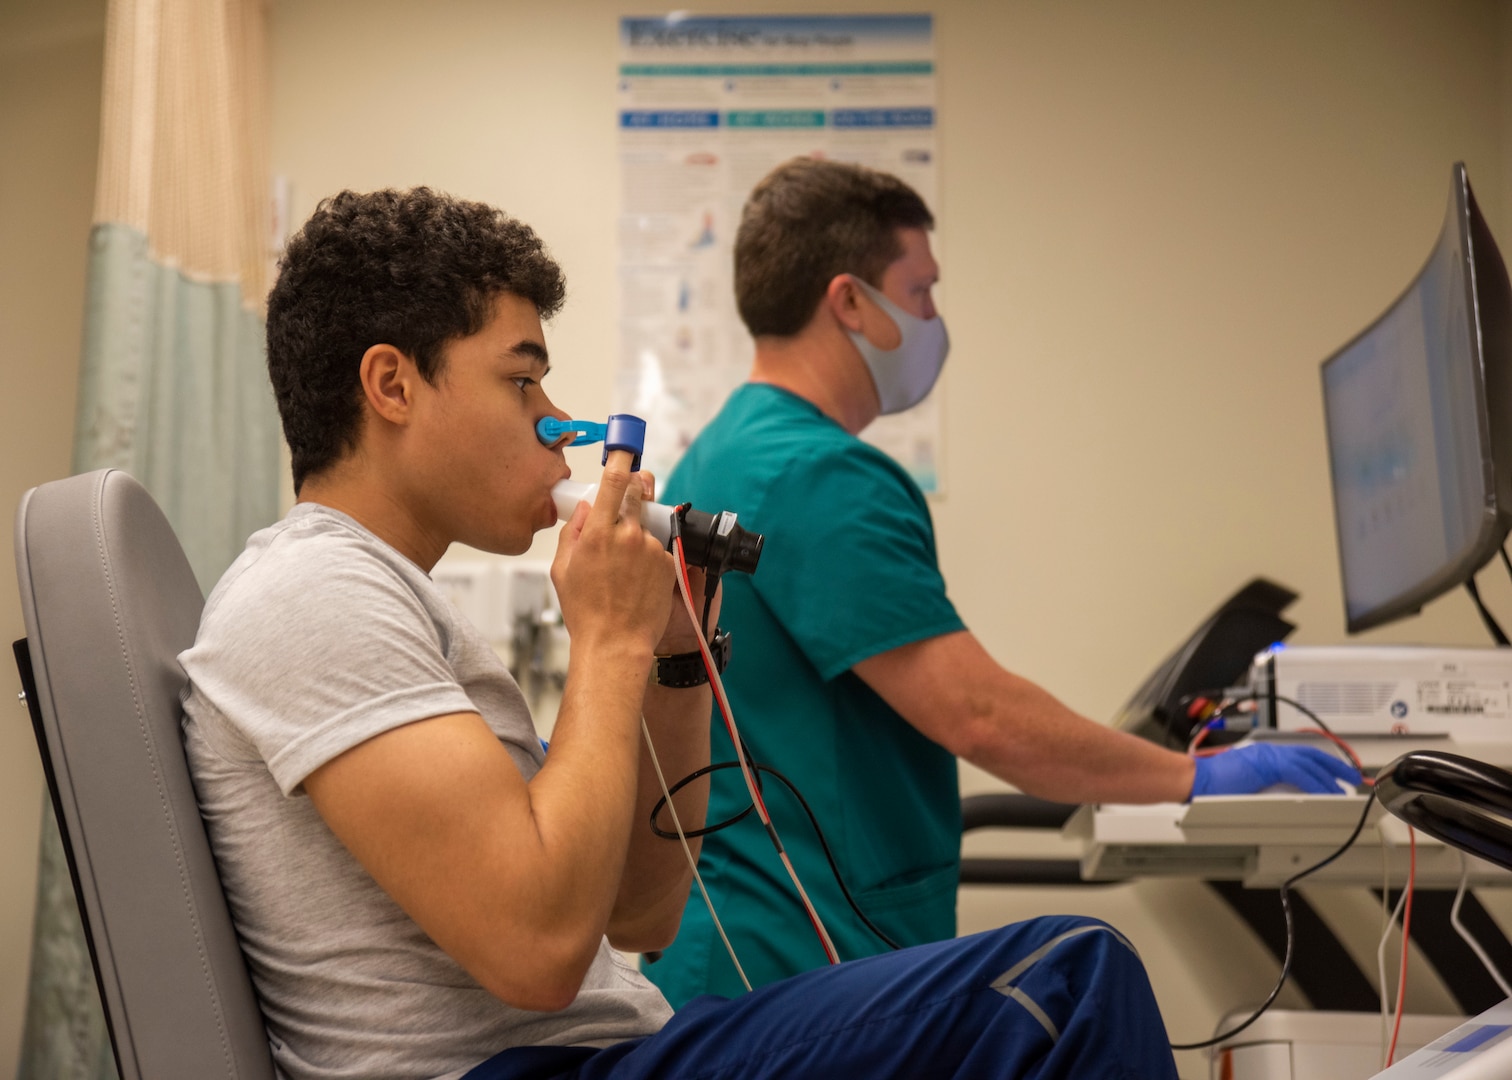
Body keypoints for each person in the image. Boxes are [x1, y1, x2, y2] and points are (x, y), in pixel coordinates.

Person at [178, 186, 1184, 1080]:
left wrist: (670, 660)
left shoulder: (392, 602)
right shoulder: (311, 590)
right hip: (523, 1068)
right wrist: (608, 643)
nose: (557, 418)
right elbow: (537, 948)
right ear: (391, 385)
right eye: (522, 381)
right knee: (1065, 984)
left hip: (593, 1048)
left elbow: (641, 914)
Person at [644, 157, 1362, 1006]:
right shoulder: (817, 475)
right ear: (848, 303)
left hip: (747, 945)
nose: (934, 320)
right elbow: (979, 714)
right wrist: (1197, 777)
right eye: (920, 294)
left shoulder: (726, 451)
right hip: (795, 956)